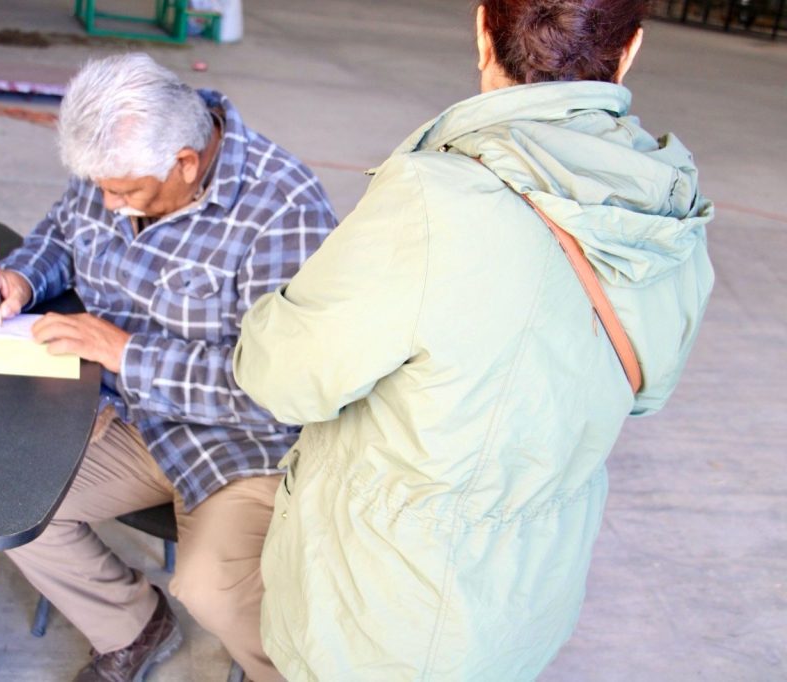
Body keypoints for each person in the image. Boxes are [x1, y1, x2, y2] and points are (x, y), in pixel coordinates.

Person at [233, 1, 715, 679]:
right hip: (526, 600)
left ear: (483, 29)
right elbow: (647, 389)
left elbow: (282, 378)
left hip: (380, 615)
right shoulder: (670, 208)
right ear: (630, 49)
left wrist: (273, 314)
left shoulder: (436, 200)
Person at [0, 53, 336, 682]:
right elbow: (62, 231)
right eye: (100, 188)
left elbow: (281, 391)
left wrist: (125, 352)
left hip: (240, 440)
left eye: (124, 193)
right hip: (123, 413)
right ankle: (131, 625)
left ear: (185, 163)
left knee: (214, 589)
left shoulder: (285, 210)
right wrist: (23, 277)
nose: (108, 204)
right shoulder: (119, 165)